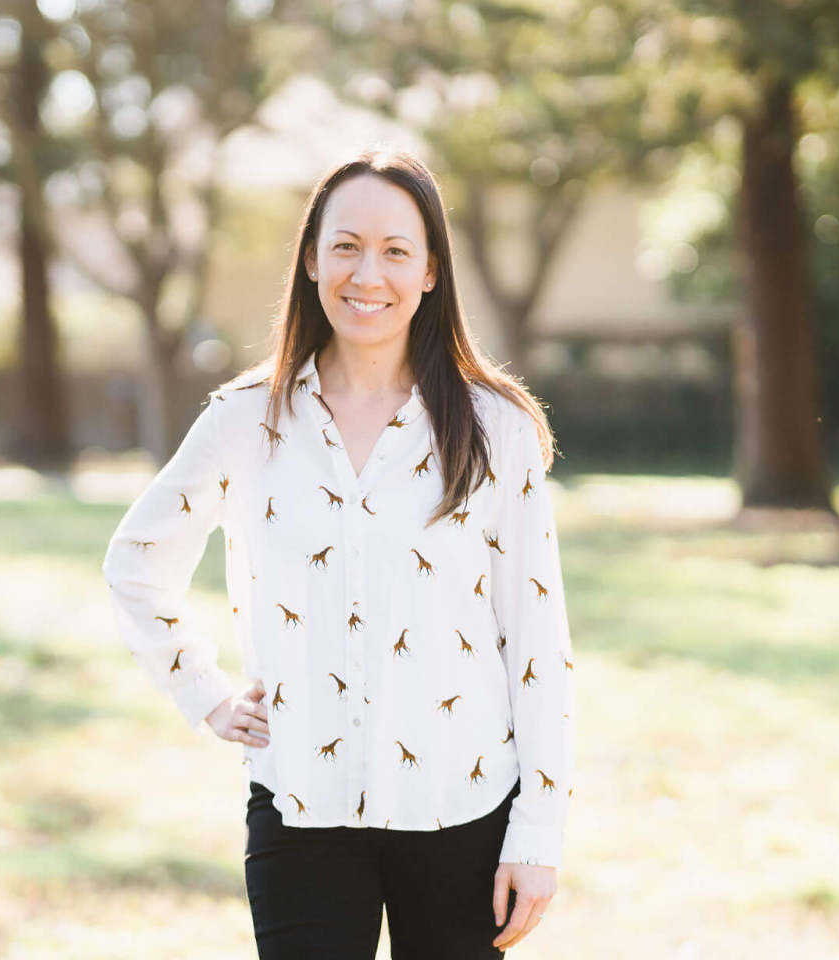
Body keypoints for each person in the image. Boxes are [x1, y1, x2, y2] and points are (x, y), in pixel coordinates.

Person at [101, 144, 576, 958]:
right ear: (313, 258)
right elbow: (136, 560)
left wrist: (537, 831)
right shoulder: (245, 419)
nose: (369, 274)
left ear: (431, 272)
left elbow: (536, 640)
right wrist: (205, 693)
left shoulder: (495, 429)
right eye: (347, 246)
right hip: (301, 808)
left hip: (462, 807)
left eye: (397, 251)